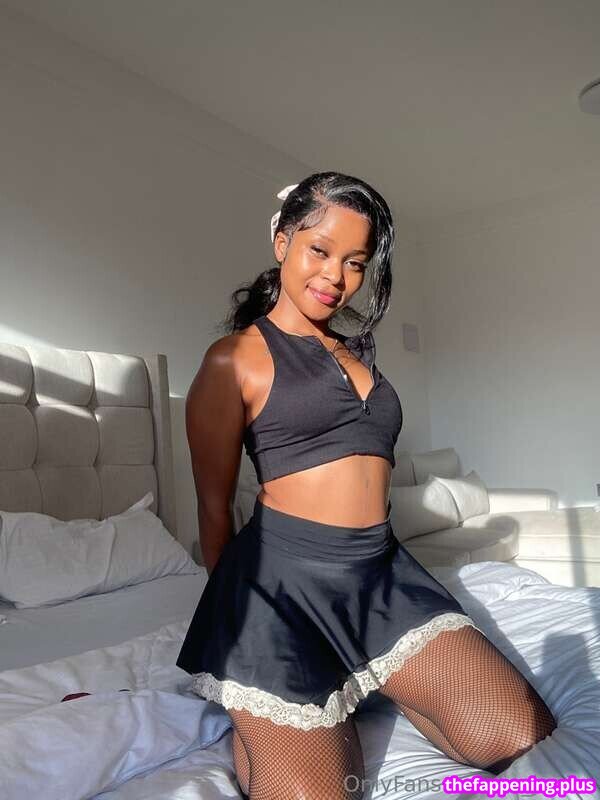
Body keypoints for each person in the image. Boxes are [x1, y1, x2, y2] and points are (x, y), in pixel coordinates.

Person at [176, 172, 556, 799]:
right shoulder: (233, 358)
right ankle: (262, 717)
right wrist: (235, 639)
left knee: (520, 734)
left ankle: (370, 675)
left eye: (355, 262)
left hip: (380, 574)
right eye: (319, 250)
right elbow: (214, 509)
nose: (336, 275)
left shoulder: (358, 354)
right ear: (282, 242)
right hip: (279, 590)